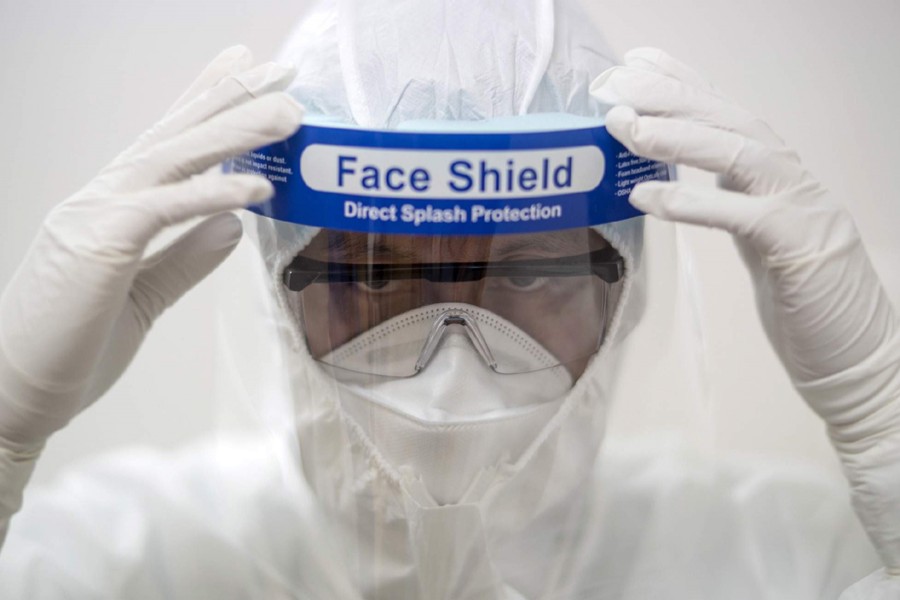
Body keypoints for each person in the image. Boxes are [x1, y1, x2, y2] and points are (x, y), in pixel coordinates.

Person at [1, 1, 898, 598]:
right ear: (276, 290)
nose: (450, 367)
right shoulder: (122, 557)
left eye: (529, 275)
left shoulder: (785, 555)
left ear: (625, 291)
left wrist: (886, 429)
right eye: (374, 274)